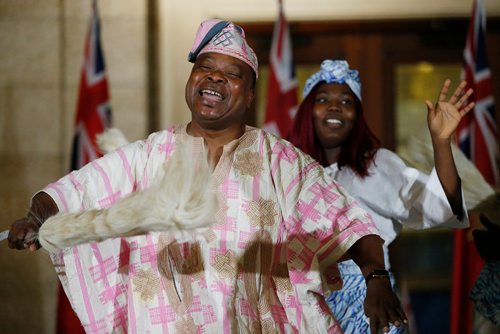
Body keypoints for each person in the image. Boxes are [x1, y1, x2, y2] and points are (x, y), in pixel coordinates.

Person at [8, 21, 406, 333]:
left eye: (231, 74)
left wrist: (377, 279)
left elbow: (349, 223)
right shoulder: (149, 155)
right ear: (192, 80)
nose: (214, 78)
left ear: (250, 94)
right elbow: (76, 189)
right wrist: (37, 217)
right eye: (206, 68)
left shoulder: (282, 162)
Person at [288, 59, 473, 333]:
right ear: (307, 111)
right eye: (323, 98)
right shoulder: (287, 172)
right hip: (301, 310)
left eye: (347, 101)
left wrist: (442, 142)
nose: (335, 106)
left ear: (357, 116)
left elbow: (440, 206)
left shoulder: (378, 165)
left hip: (369, 305)